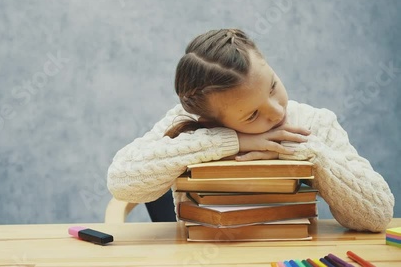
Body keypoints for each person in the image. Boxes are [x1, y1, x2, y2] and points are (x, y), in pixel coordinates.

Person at [107, 29, 394, 232]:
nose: (277, 111)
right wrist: (231, 141)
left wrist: (311, 154)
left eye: (272, 86)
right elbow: (121, 180)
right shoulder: (189, 124)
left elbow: (378, 215)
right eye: (252, 114)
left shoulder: (313, 123)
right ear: (210, 118)